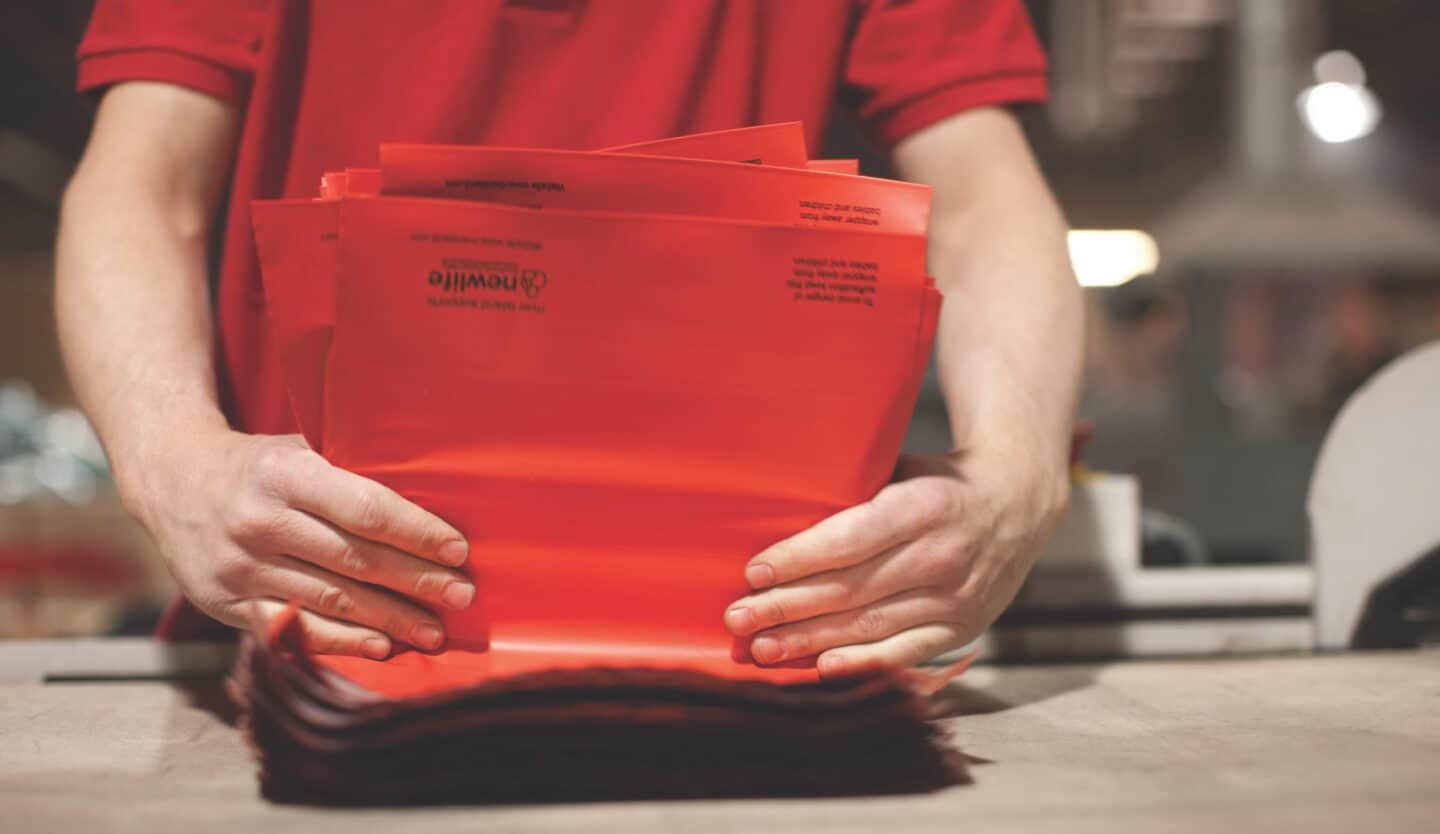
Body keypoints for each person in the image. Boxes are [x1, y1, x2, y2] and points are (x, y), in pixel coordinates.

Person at [57, 0, 1083, 677]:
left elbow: (988, 202)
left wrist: (1018, 477)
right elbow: (141, 189)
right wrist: (175, 463)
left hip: (743, 674)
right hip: (314, 654)